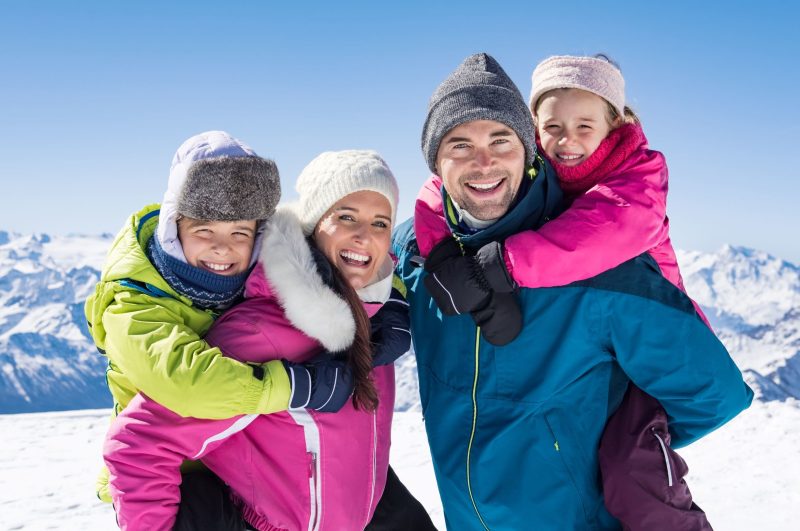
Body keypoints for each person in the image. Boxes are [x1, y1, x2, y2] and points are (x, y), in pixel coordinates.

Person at [392, 52, 753, 529]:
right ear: (436, 161)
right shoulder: (414, 251)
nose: (483, 162)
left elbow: (714, 393)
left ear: (526, 150)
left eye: (501, 140)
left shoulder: (601, 266)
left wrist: (619, 443)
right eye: (459, 145)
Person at [103, 150, 436, 530]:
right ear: (311, 226)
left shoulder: (372, 314)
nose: (364, 236)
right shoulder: (261, 332)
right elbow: (137, 446)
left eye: (380, 223)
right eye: (345, 217)